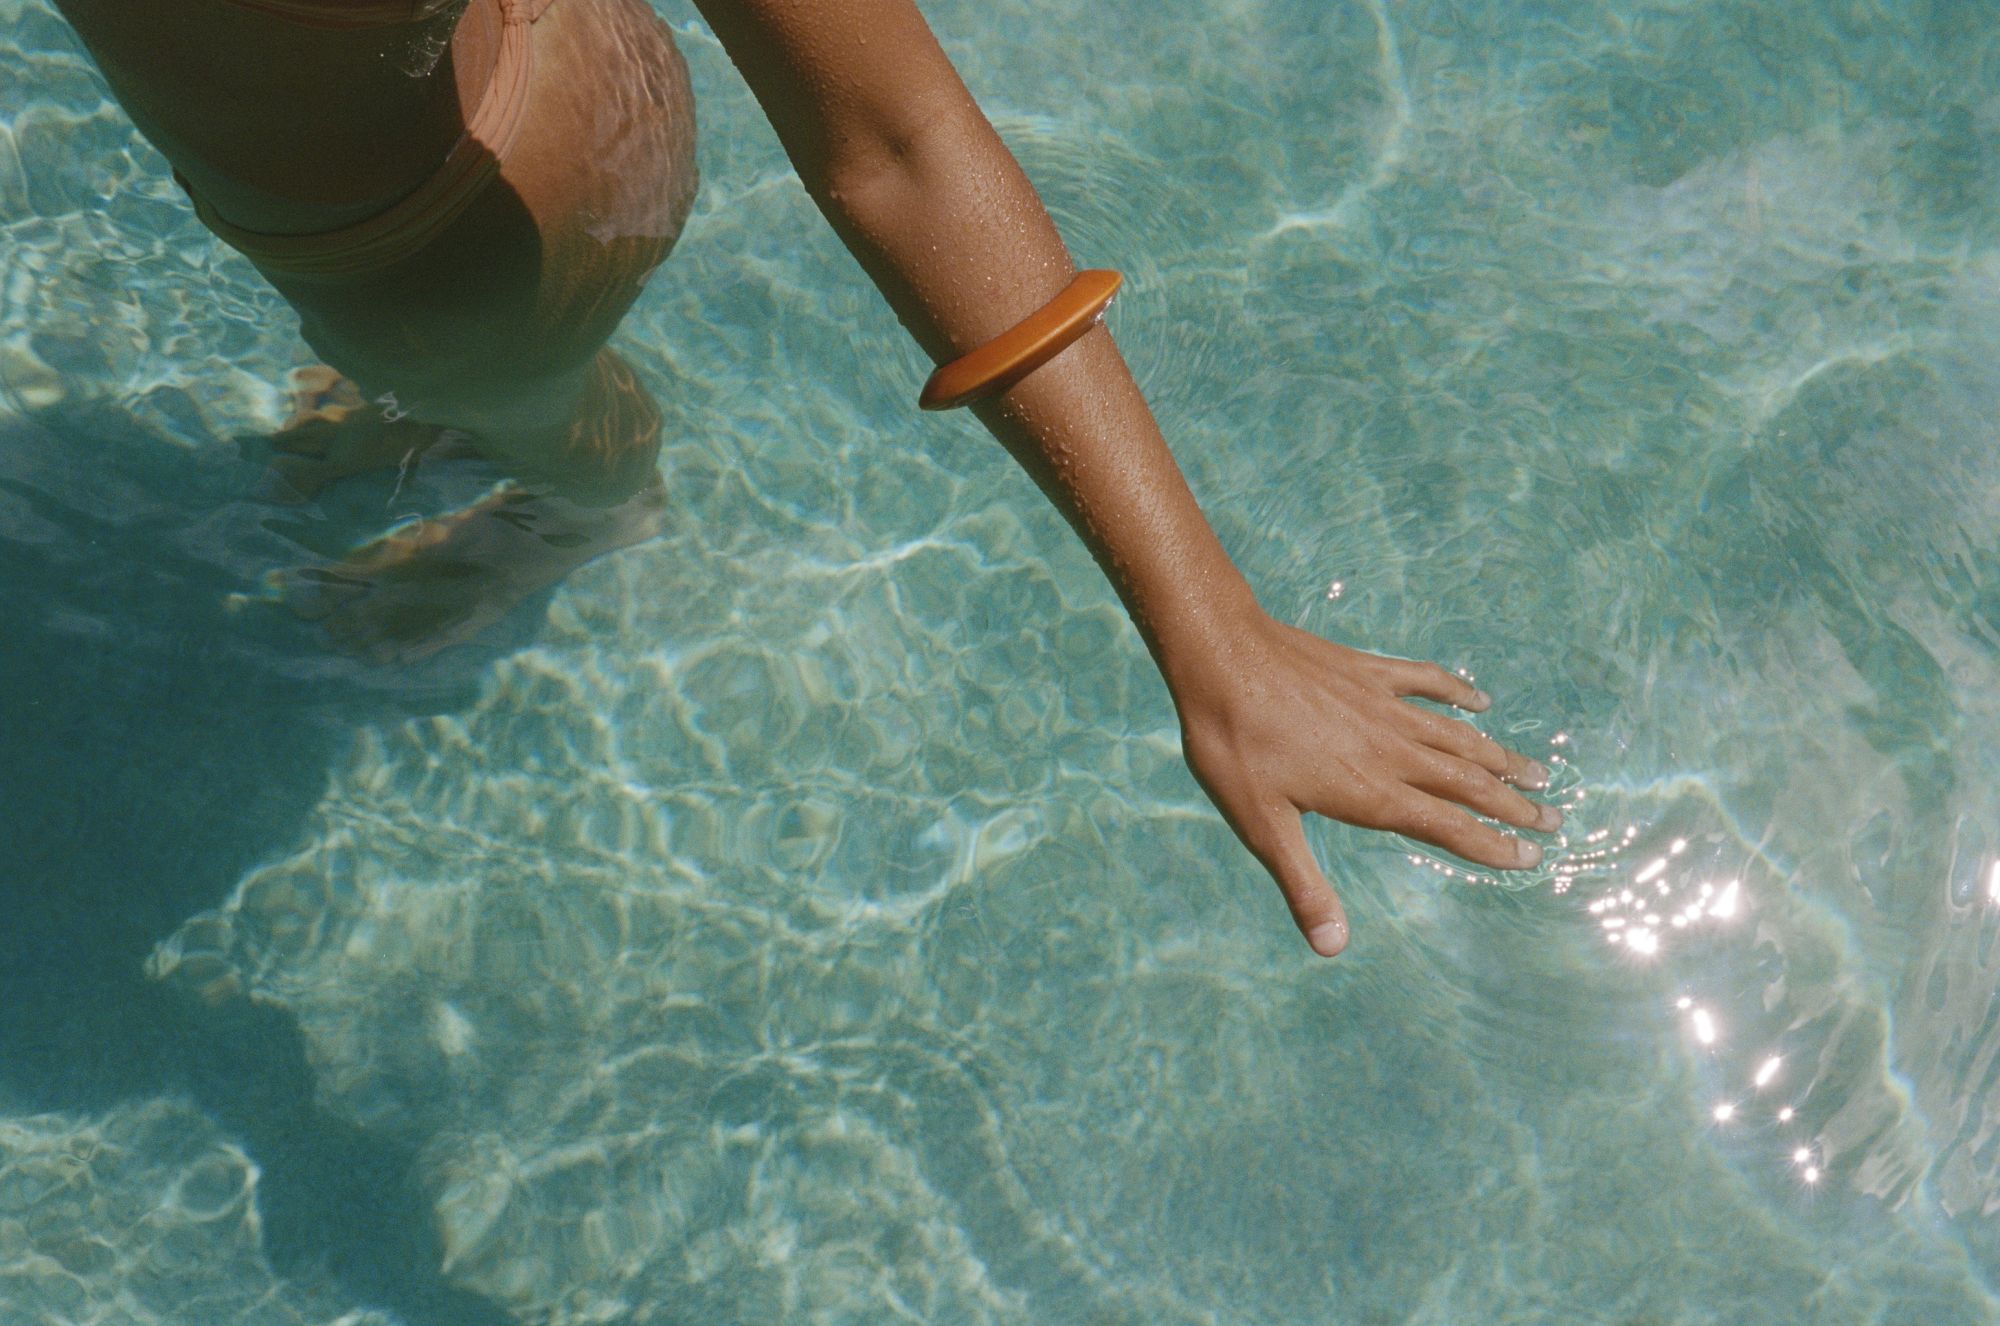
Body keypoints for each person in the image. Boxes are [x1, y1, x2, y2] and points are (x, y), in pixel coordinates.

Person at [48, 0, 1560, 956]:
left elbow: (898, 143)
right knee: (435, 361)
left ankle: (580, 501)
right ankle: (456, 406)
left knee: (532, 411)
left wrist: (1207, 625)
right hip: (485, 125)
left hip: (470, 241)